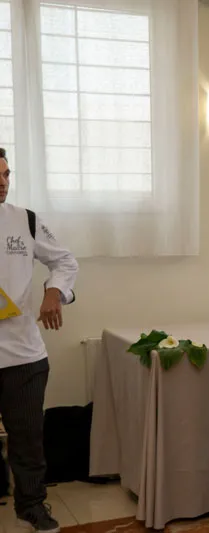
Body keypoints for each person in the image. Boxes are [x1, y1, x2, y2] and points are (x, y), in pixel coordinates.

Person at [0, 147, 79, 533]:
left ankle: (31, 506)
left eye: (6, 174)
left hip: (23, 355)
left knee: (28, 439)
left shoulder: (25, 220)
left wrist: (54, 292)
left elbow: (65, 261)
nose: (3, 183)